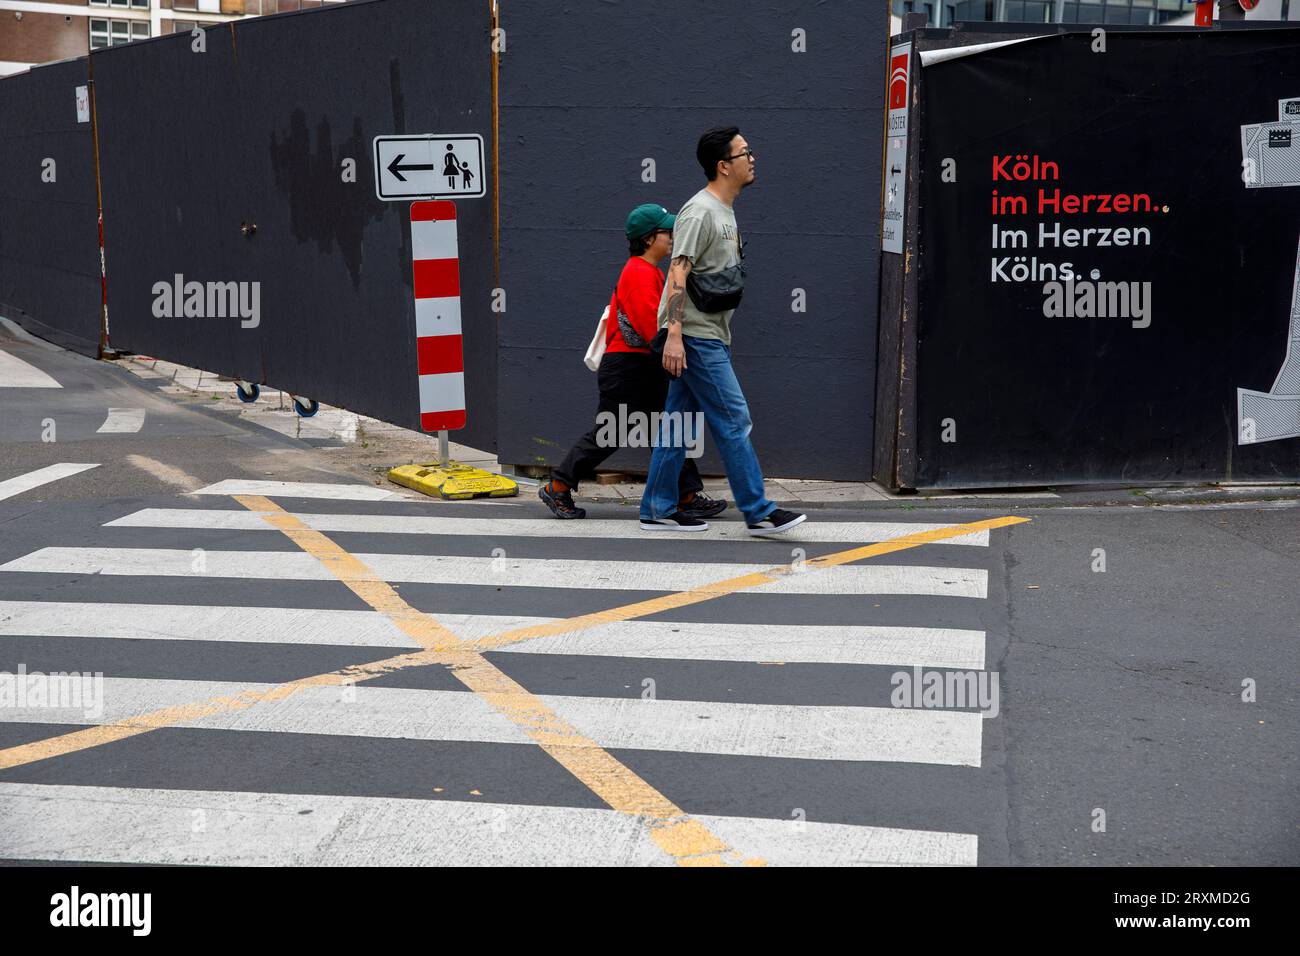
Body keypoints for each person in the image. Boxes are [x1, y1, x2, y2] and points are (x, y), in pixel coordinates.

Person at [639, 127, 806, 536]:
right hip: (696, 337)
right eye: (745, 152)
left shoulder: (723, 210)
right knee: (735, 419)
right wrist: (674, 335)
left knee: (678, 424)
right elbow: (677, 272)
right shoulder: (700, 212)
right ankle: (758, 510)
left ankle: (657, 508)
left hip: (709, 333)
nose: (753, 158)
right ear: (723, 165)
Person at [539, 203, 728, 520]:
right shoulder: (639, 273)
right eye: (668, 232)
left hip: (639, 366)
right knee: (610, 432)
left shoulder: (649, 271)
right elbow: (651, 327)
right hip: (628, 369)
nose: (673, 237)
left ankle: (686, 495)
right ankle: (558, 486)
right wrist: (679, 354)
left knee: (667, 429)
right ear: (648, 238)